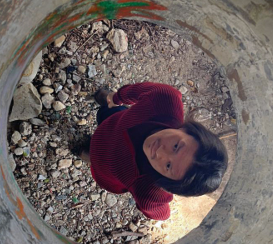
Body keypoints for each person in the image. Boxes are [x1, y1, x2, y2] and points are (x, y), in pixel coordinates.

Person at [78, 82, 228, 220]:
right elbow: (142, 90)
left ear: (167, 183)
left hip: (105, 167)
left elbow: (161, 214)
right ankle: (106, 105)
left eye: (168, 166)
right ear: (187, 130)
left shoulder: (150, 191)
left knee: (98, 161)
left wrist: (156, 198)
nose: (159, 153)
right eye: (176, 146)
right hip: (113, 123)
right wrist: (117, 97)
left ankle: (91, 156)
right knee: (106, 112)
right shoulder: (165, 101)